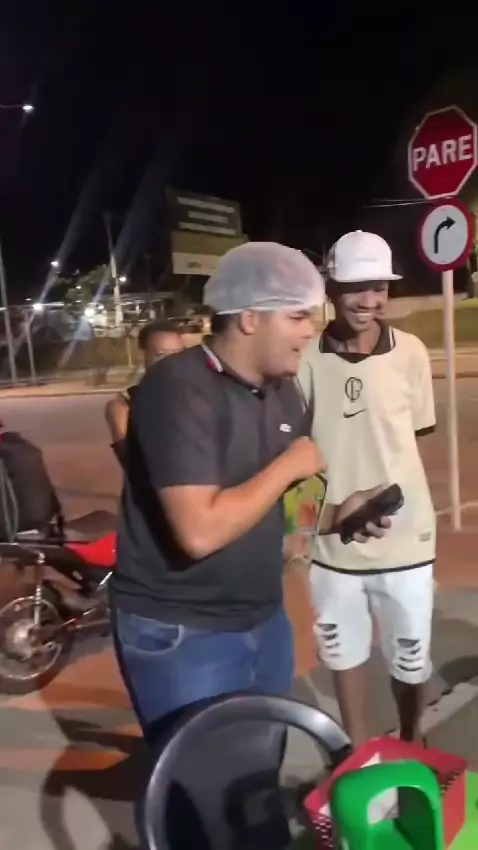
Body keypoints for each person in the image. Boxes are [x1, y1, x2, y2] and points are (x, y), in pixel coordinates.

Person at [110, 241, 390, 747]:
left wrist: (337, 515)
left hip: (263, 619)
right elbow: (199, 532)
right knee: (201, 780)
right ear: (249, 318)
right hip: (183, 631)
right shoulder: (178, 388)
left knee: (258, 767)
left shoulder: (283, 389)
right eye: (297, 316)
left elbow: (289, 512)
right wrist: (288, 466)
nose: (310, 330)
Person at [299, 230, 436, 747]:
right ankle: (359, 754)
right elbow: (296, 454)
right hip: (330, 542)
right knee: (343, 655)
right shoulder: (304, 358)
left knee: (411, 659)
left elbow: (412, 441)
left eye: (378, 287)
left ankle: (413, 741)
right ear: (331, 289)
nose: (368, 300)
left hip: (406, 541)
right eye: (355, 287)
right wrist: (312, 520)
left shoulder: (412, 353)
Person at [105, 319, 187, 463]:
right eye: (160, 354)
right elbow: (130, 461)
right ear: (144, 354)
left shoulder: (203, 394)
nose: (169, 361)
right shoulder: (124, 406)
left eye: (176, 354)